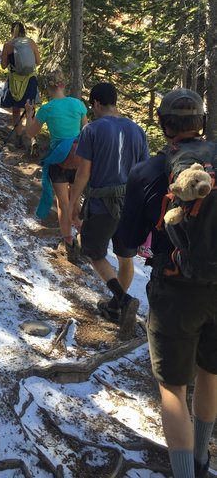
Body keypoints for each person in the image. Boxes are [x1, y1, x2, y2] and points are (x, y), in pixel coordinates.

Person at [119, 88, 217, 478]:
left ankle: (183, 473)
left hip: (174, 290)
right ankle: (202, 458)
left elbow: (126, 239)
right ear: (201, 123)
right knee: (210, 373)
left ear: (162, 124)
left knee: (173, 387)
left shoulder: (148, 172)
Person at [68, 82, 149, 338]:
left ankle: (122, 300)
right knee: (126, 258)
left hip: (102, 204)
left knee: (94, 253)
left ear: (96, 103)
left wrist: (72, 205)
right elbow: (145, 172)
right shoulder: (137, 130)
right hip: (131, 204)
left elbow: (83, 173)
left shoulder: (92, 130)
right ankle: (115, 307)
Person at [24, 73, 88, 261]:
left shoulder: (47, 109)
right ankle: (82, 236)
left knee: (63, 202)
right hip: (79, 157)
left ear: (48, 88)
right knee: (76, 200)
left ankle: (68, 241)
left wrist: (29, 113)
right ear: (63, 85)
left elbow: (30, 132)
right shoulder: (78, 104)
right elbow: (86, 131)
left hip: (59, 158)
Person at [1, 21, 41, 149]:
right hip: (30, 80)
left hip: (15, 81)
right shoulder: (31, 43)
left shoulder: (8, 45)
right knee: (31, 110)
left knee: (16, 109)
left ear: (12, 31)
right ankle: (33, 139)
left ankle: (18, 138)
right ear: (24, 31)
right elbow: (38, 61)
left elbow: (3, 65)